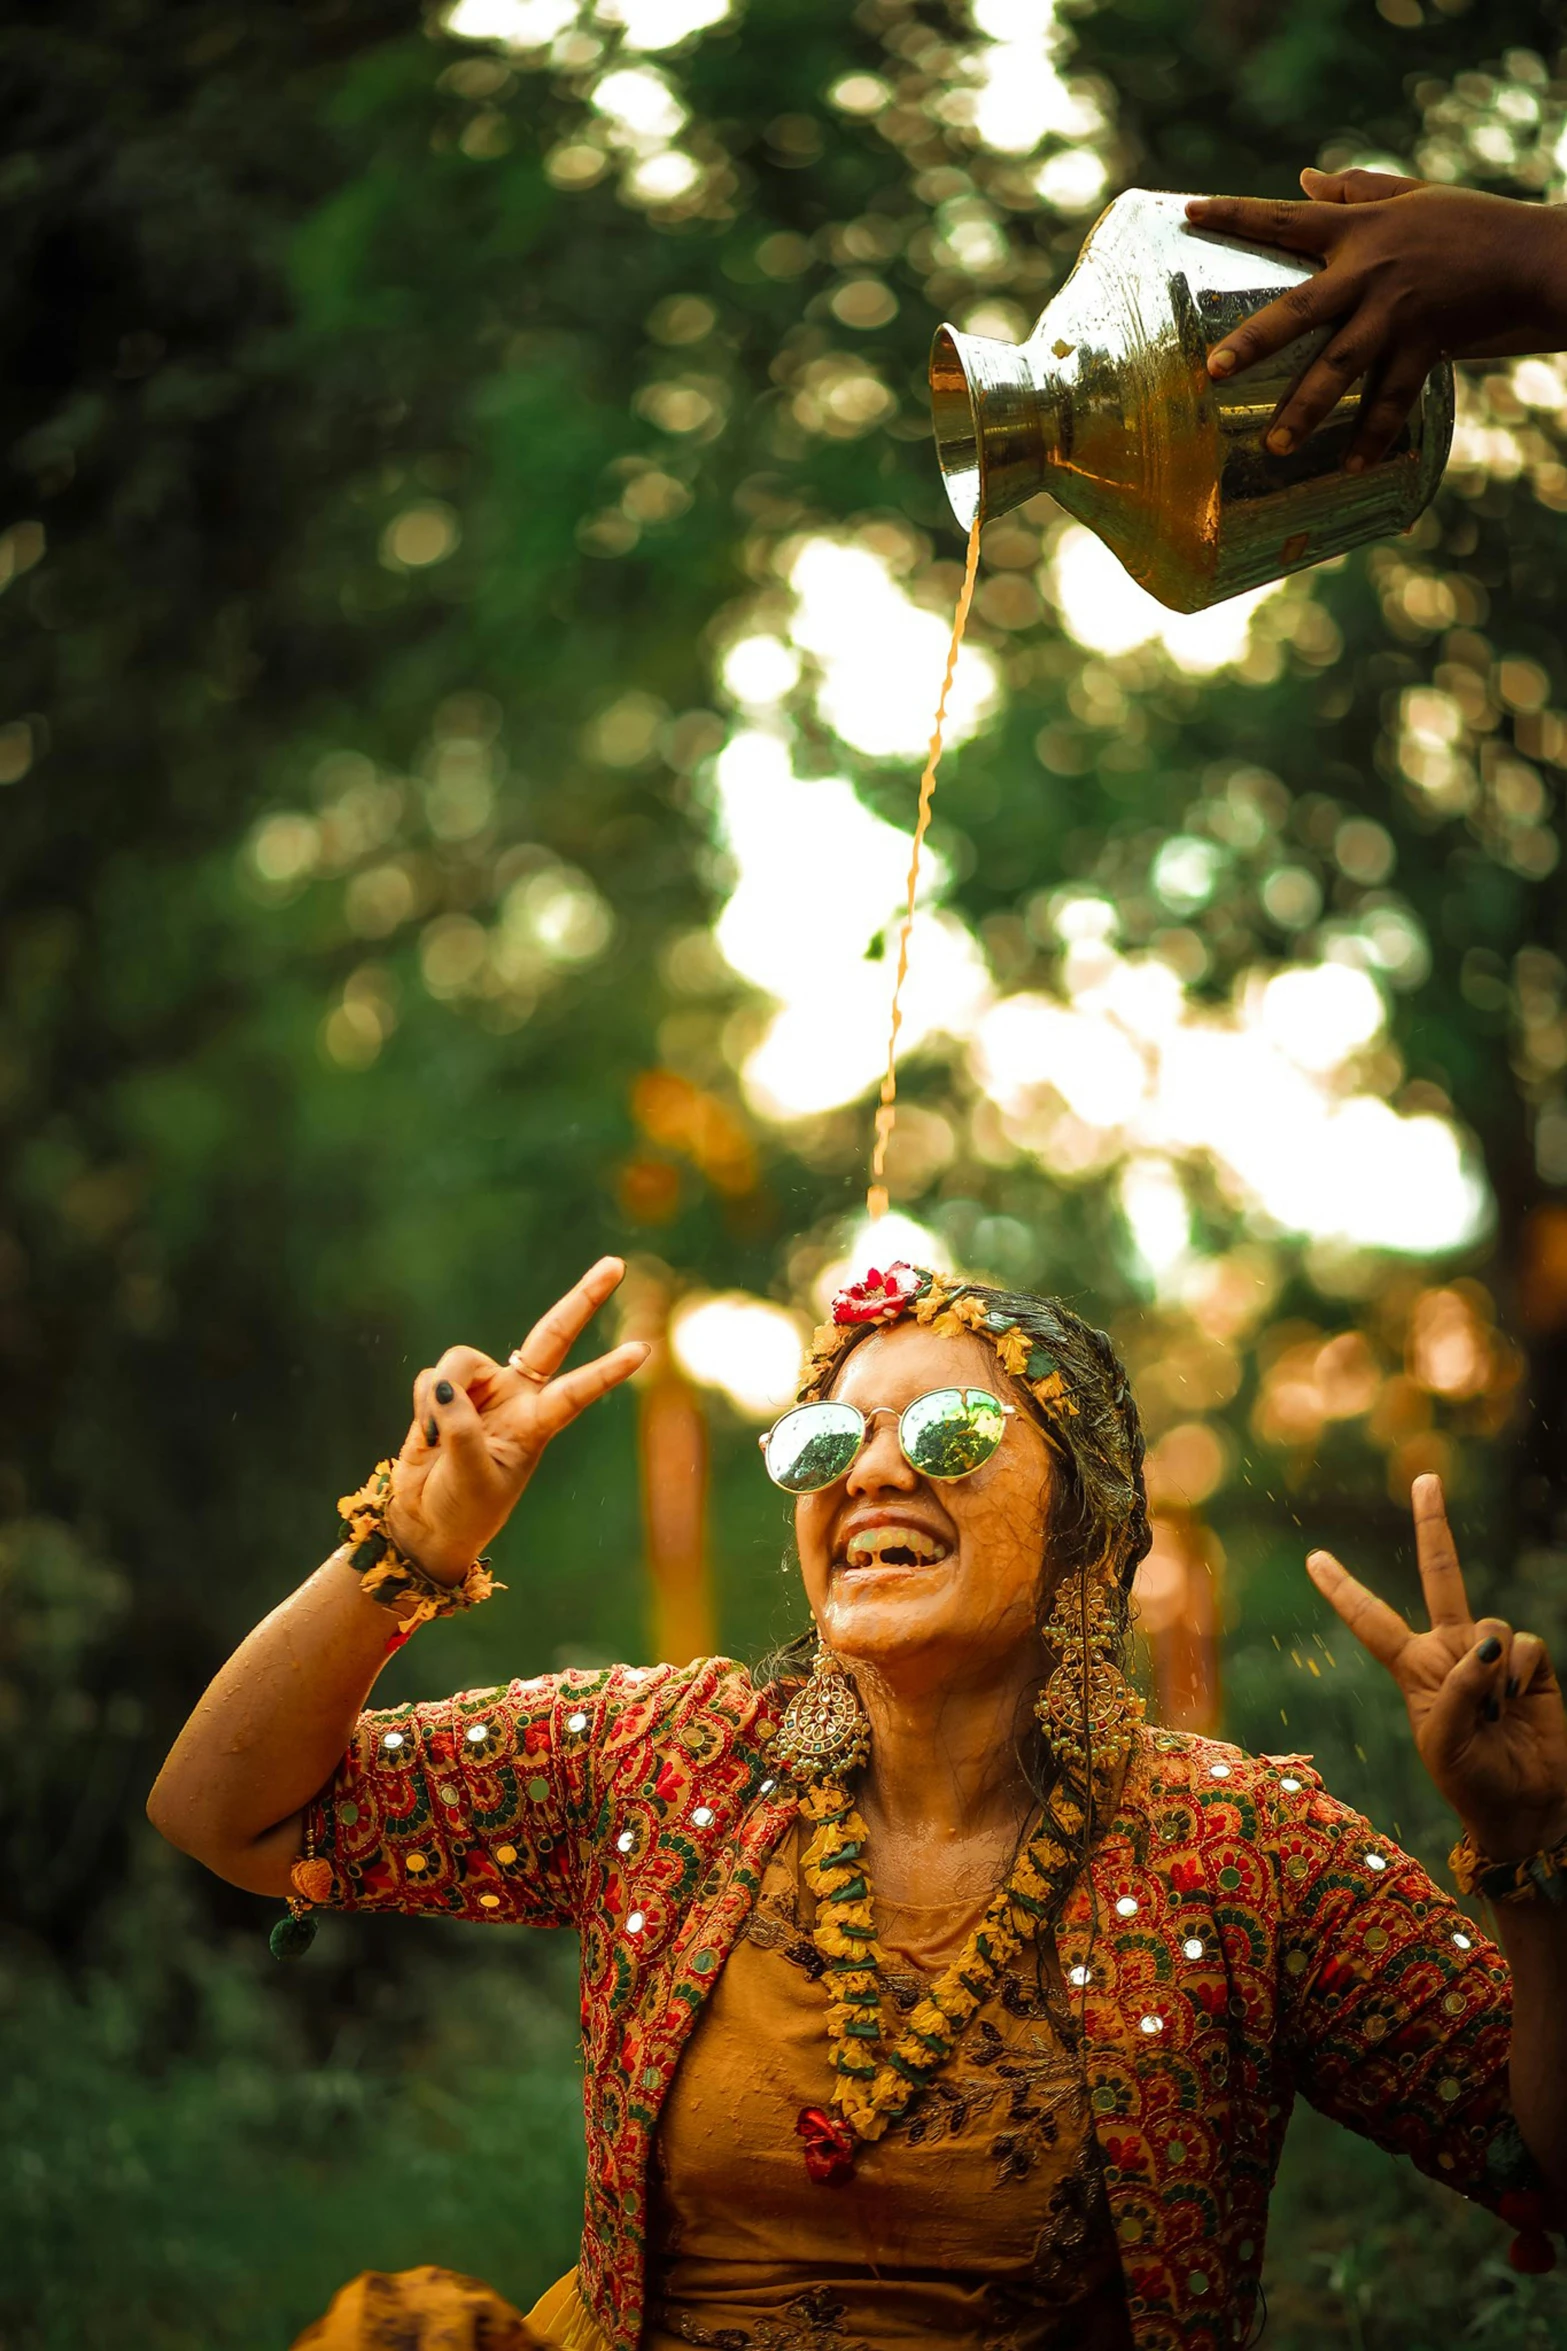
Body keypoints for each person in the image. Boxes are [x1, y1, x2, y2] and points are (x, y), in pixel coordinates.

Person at [149, 1253, 1567, 2351]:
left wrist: (1529, 1850)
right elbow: (231, 1812)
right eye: (823, 1442)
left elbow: (1539, 2156)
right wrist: (412, 1536)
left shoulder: (1230, 1847)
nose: (874, 1467)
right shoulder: (669, 1756)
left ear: (1083, 1518)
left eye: (949, 1431)